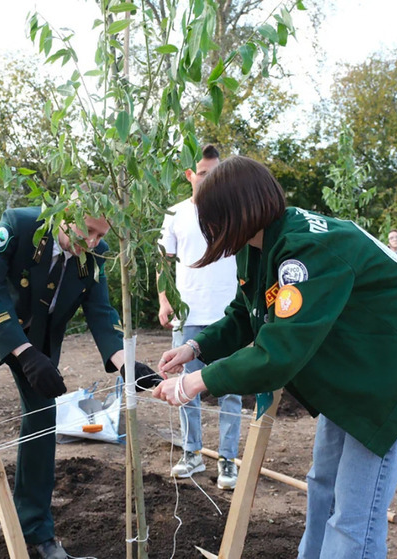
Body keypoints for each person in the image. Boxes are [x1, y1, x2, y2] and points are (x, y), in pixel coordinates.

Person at [153, 156, 397, 558]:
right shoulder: (257, 246)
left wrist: (192, 383)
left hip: (391, 379)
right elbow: (245, 312)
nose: (208, 231)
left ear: (236, 213)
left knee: (354, 515)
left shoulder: (306, 250)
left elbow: (278, 352)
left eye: (212, 219)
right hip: (352, 375)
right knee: (322, 487)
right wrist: (195, 348)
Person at [0, 201, 159, 559]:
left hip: (38, 342)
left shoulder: (94, 253)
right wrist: (23, 353)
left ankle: (37, 531)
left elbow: (100, 310)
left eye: (102, 235)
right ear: (67, 214)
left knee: (41, 426)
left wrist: (125, 363)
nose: (96, 241)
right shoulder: (19, 225)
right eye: (90, 230)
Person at [157, 144, 241, 486]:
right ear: (190, 175)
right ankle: (192, 454)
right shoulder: (175, 214)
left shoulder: (233, 213)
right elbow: (163, 262)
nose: (209, 179)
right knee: (184, 388)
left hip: (228, 314)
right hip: (188, 313)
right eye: (203, 173)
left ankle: (227, 460)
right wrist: (164, 301)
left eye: (215, 173)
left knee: (231, 390)